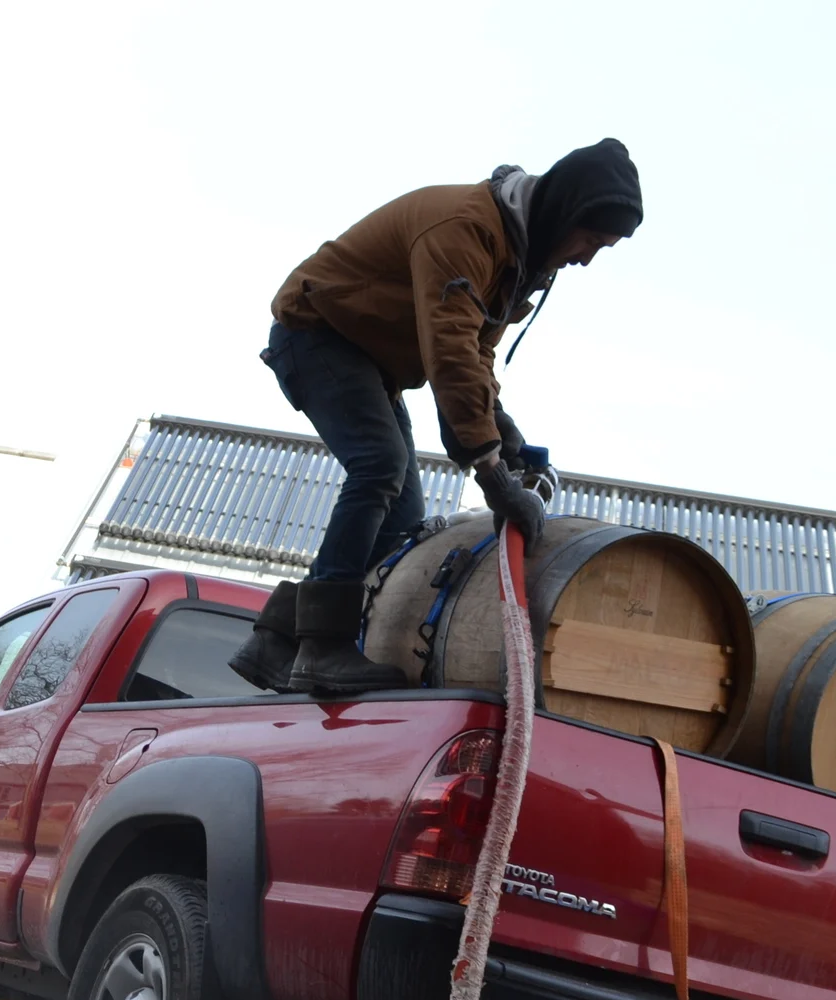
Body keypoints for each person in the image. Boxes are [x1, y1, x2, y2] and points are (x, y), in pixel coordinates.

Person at [229, 139, 644, 696]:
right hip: (318, 333)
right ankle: (324, 647)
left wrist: (505, 436)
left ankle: (279, 639)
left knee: (401, 518)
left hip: (369, 361)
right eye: (591, 239)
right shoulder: (466, 229)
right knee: (380, 465)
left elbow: (474, 356)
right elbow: (447, 354)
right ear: (565, 211)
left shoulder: (518, 257)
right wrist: (496, 481)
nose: (587, 258)